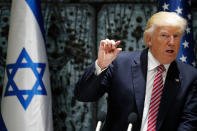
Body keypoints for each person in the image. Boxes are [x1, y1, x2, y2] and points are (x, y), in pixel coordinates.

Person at [74, 11, 197, 131]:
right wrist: (101, 65)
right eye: (164, 35)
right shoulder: (120, 63)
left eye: (176, 36)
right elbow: (83, 95)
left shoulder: (189, 76)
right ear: (149, 39)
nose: (172, 42)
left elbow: (189, 122)